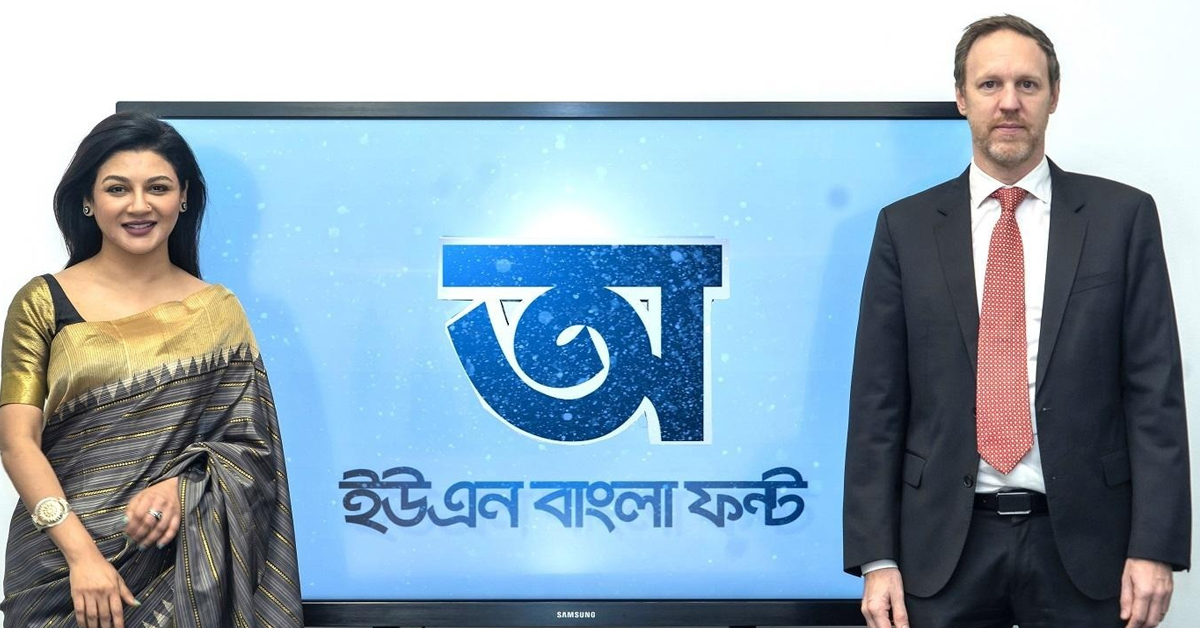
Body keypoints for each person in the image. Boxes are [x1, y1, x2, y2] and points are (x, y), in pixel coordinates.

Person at [843, 14, 1190, 628]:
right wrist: (877, 557)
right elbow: (878, 402)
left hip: (1087, 547)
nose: (1009, 102)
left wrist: (1154, 547)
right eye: (990, 84)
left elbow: (1153, 395)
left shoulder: (1122, 218)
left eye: (1028, 84)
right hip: (941, 551)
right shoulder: (905, 228)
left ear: (1054, 96)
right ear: (961, 98)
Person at [0, 111, 303, 628]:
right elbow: (16, 442)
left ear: (183, 198)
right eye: (118, 188)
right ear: (88, 200)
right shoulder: (44, 300)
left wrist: (184, 488)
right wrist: (82, 556)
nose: (139, 205)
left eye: (157, 188)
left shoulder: (217, 312)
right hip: (59, 568)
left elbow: (251, 450)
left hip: (178, 565)